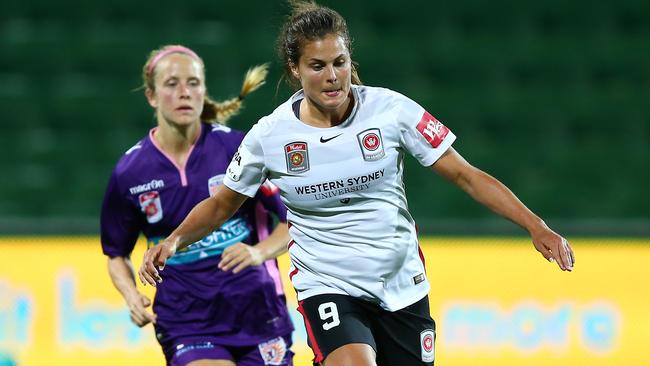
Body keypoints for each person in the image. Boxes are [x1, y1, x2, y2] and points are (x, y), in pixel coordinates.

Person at [139, 3, 575, 366]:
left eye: (339, 62)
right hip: (326, 282)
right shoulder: (270, 137)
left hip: (400, 280)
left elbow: (466, 175)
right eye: (317, 66)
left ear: (350, 62)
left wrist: (536, 225)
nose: (332, 76)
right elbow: (221, 204)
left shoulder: (391, 111)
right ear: (295, 69)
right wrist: (174, 241)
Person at [100, 44, 294, 366]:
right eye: (172, 84)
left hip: (257, 312)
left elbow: (295, 221)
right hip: (186, 320)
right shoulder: (130, 172)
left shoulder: (238, 148)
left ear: (204, 90)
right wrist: (131, 295)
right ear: (151, 96)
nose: (184, 93)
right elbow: (116, 253)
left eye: (193, 83)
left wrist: (258, 252)